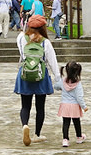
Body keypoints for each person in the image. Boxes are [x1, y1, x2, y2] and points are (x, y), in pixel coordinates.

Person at [13, 14, 60, 145]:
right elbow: (52, 61)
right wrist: (57, 78)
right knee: (40, 107)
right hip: (41, 75)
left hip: (25, 74)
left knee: (25, 105)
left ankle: (25, 125)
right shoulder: (46, 42)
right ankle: (37, 134)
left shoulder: (22, 38)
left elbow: (22, 52)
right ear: (43, 27)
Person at [58, 61, 88, 147]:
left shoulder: (63, 81)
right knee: (76, 122)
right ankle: (79, 137)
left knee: (65, 123)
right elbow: (79, 97)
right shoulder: (78, 84)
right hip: (74, 105)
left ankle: (65, 139)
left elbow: (56, 86)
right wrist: (84, 106)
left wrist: (61, 87)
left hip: (65, 105)